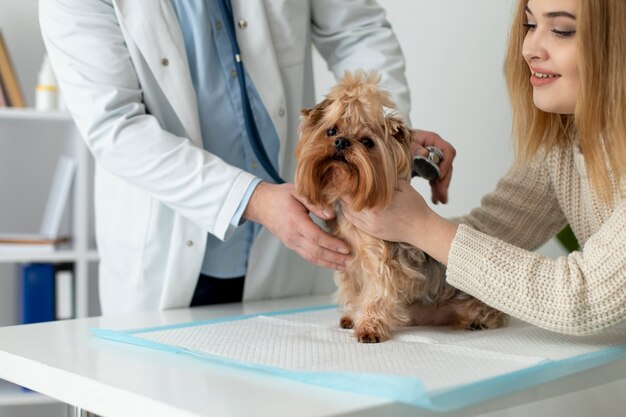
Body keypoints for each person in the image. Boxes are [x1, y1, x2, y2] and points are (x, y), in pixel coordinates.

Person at [39, 0, 454, 314]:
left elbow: (357, 30)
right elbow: (115, 124)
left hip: (291, 257)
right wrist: (251, 198)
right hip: (165, 248)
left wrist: (383, 136)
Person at [342, 0, 626, 336]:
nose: (529, 49)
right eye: (530, 25)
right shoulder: (565, 144)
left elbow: (582, 298)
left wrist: (419, 226)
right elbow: (489, 233)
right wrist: (372, 232)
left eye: (561, 30)